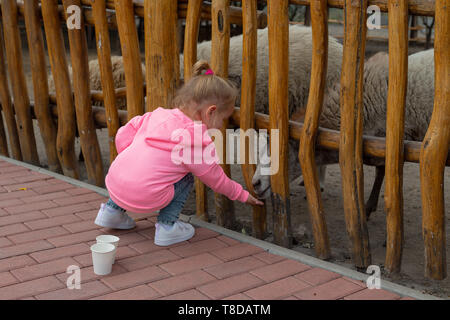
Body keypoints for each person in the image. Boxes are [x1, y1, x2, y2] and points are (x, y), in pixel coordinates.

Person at [94, 60, 264, 246]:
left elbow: (122, 134)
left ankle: (111, 212)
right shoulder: (195, 140)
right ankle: (167, 227)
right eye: (223, 119)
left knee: (133, 168)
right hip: (148, 195)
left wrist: (130, 159)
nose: (222, 125)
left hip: (115, 182)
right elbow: (216, 179)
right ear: (210, 112)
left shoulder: (158, 114)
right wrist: (242, 195)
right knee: (187, 177)